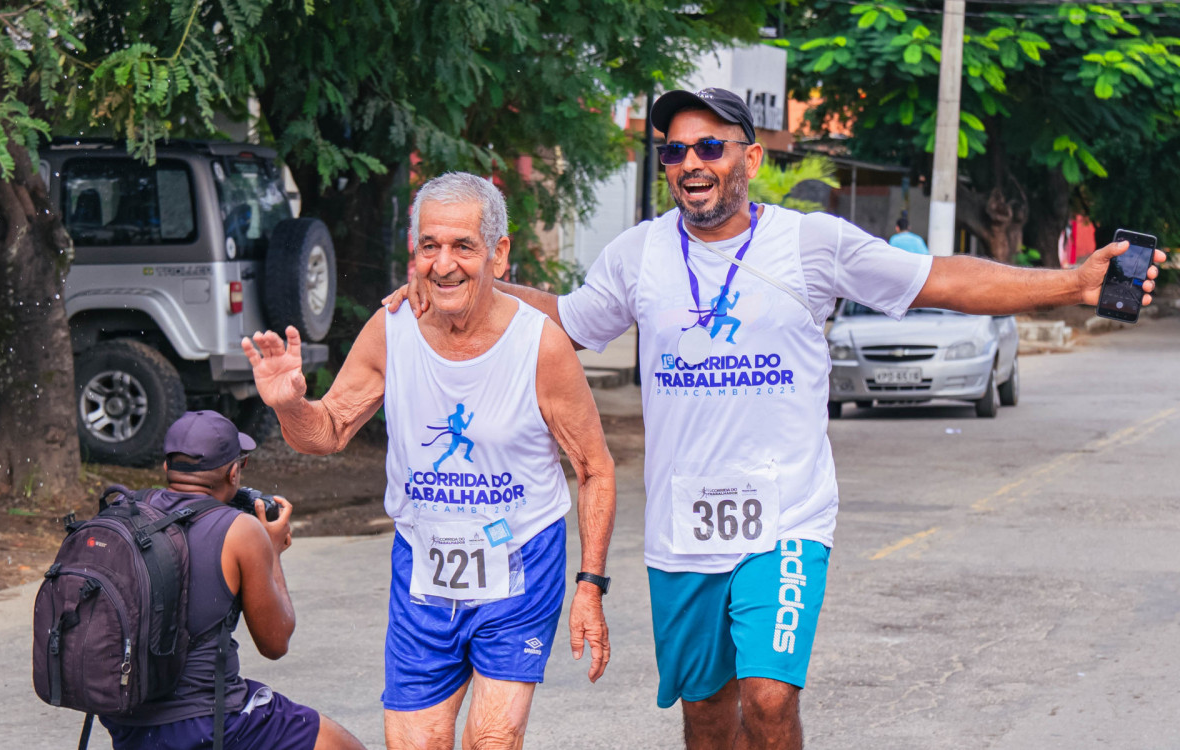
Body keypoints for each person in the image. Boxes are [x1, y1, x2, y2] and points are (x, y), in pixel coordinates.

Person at [386, 87, 1165, 750]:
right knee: (708, 716)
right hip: (681, 531)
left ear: (750, 159)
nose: (690, 163)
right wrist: (459, 284)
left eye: (710, 147)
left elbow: (941, 279)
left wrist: (1070, 284)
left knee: (768, 700)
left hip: (786, 516)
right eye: (673, 151)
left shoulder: (811, 245)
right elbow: (571, 318)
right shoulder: (638, 255)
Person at [242, 172, 617, 750]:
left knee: (492, 740)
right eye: (429, 247)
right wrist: (291, 405)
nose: (444, 264)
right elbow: (329, 430)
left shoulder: (540, 345)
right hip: (424, 566)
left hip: (520, 563)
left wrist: (589, 585)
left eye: (463, 246)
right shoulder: (392, 329)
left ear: (498, 252)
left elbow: (594, 469)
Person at [99, 410, 367, 750]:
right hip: (208, 719)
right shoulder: (240, 531)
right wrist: (271, 552)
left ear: (167, 468)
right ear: (233, 472)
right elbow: (275, 643)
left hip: (126, 715)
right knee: (344, 746)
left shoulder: (125, 510)